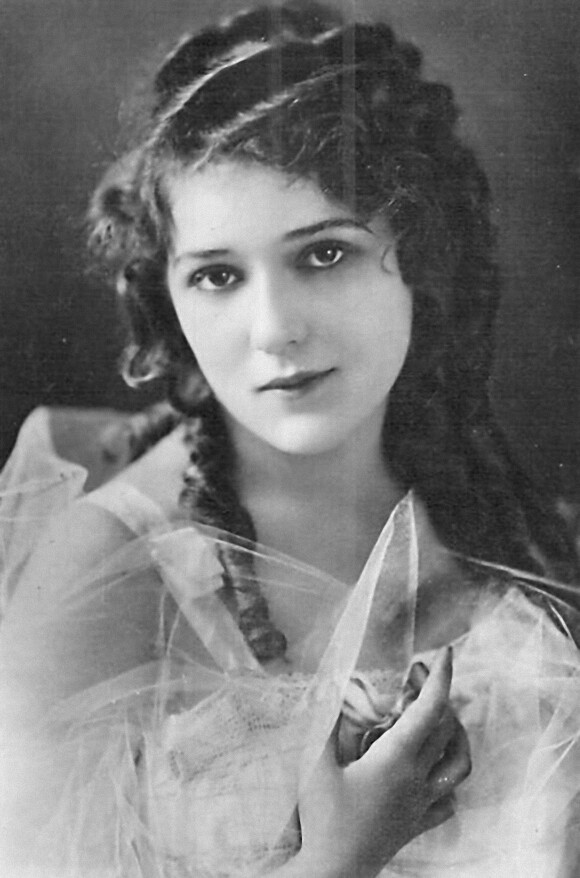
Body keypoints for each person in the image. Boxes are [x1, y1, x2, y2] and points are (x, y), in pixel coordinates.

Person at [1, 2, 579, 876]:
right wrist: (340, 857)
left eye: (324, 255)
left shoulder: (507, 521)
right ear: (169, 296)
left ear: (421, 254)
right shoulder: (110, 574)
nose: (274, 329)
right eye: (218, 276)